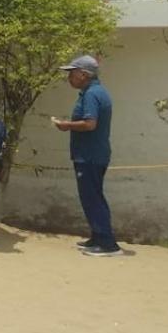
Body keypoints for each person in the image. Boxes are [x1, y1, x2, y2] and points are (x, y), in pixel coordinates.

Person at [53, 54, 119, 257]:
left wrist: (66, 125)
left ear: (84, 74)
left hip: (90, 155)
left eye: (72, 73)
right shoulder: (94, 92)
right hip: (92, 153)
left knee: (92, 198)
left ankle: (107, 242)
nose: (69, 78)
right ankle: (98, 237)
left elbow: (90, 124)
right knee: (92, 196)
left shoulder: (92, 94)